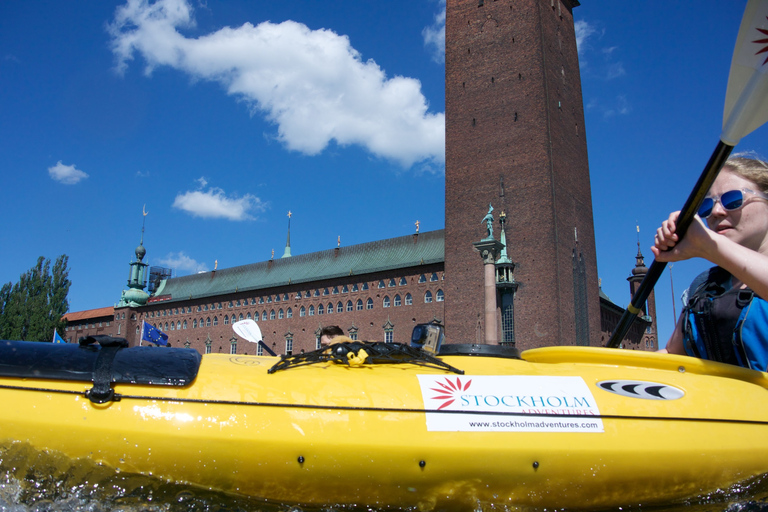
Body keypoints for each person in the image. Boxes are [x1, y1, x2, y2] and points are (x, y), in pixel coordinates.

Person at [652, 154, 768, 371]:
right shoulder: (705, 285)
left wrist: (710, 246)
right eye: (707, 206)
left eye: (732, 199)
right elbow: (672, 355)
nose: (715, 212)